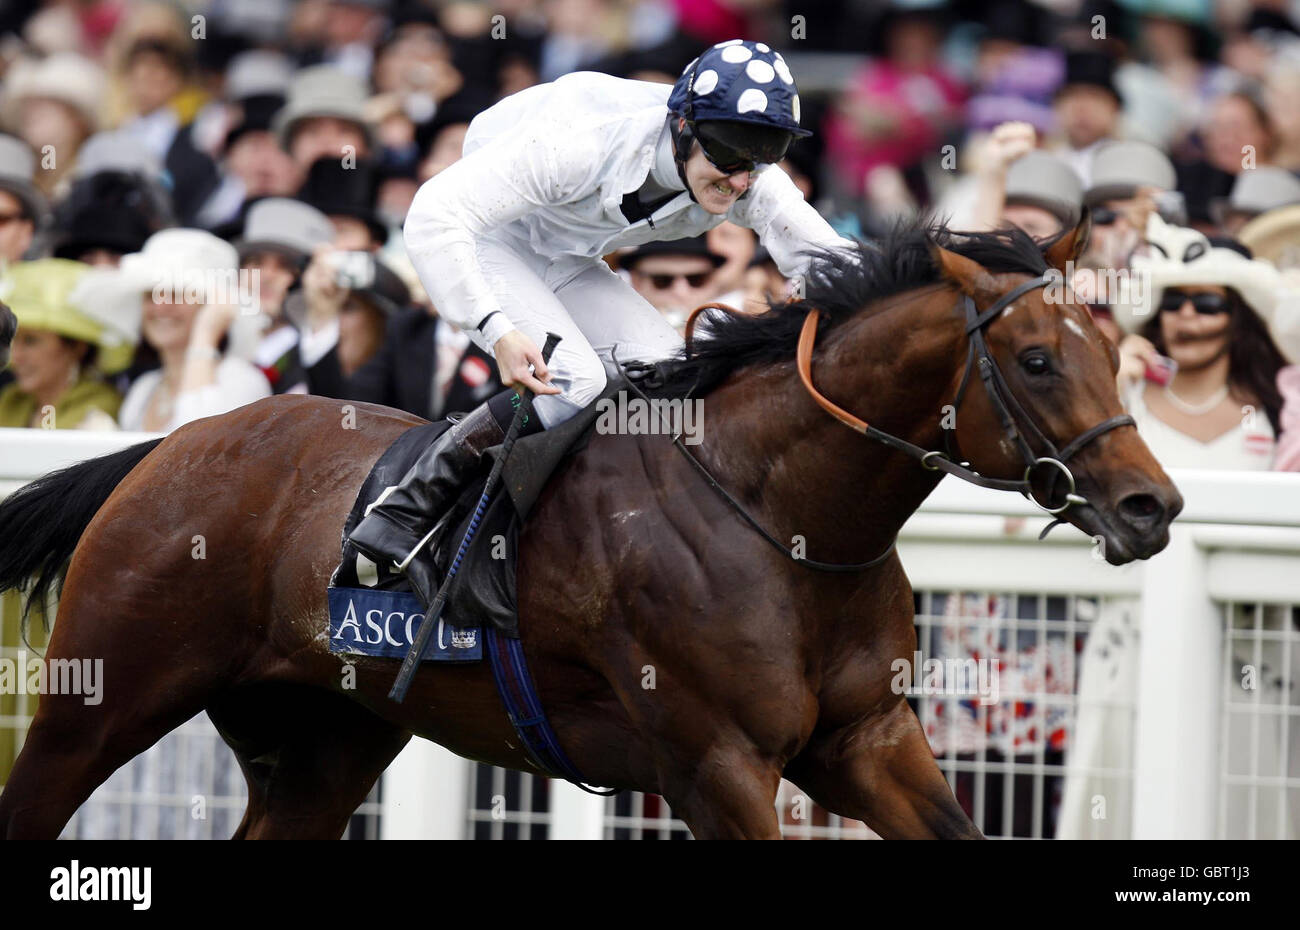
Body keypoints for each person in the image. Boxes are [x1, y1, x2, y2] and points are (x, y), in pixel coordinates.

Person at [347, 39, 855, 608]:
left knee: (665, 379)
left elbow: (833, 263)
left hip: (564, 252)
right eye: (733, 151)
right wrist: (496, 329)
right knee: (578, 380)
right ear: (682, 126)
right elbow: (435, 213)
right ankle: (404, 513)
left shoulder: (748, 172)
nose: (742, 177)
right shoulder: (582, 145)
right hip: (486, 231)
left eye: (767, 151)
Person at [117, 229, 271, 433]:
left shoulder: (240, 379)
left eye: (177, 294)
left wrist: (206, 334)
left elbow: (198, 448)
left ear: (210, 305)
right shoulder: (143, 389)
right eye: (150, 295)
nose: (160, 307)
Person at [0, 259, 136, 430]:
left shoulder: (99, 406)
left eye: (31, 341)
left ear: (77, 347)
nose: (15, 356)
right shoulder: (10, 400)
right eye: (13, 340)